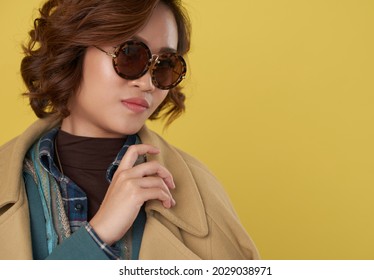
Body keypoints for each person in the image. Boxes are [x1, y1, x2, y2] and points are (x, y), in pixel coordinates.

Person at [0, 0, 259, 260]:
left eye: (165, 65)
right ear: (74, 49)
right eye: (131, 55)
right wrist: (97, 236)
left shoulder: (201, 194)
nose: (148, 84)